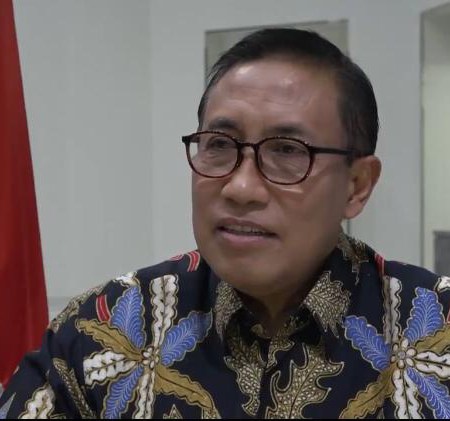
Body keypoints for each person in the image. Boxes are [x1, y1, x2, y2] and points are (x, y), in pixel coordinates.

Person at [1, 27, 450, 419]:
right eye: (218, 144)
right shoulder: (101, 332)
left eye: (287, 151)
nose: (241, 187)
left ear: (356, 185)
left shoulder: (436, 336)